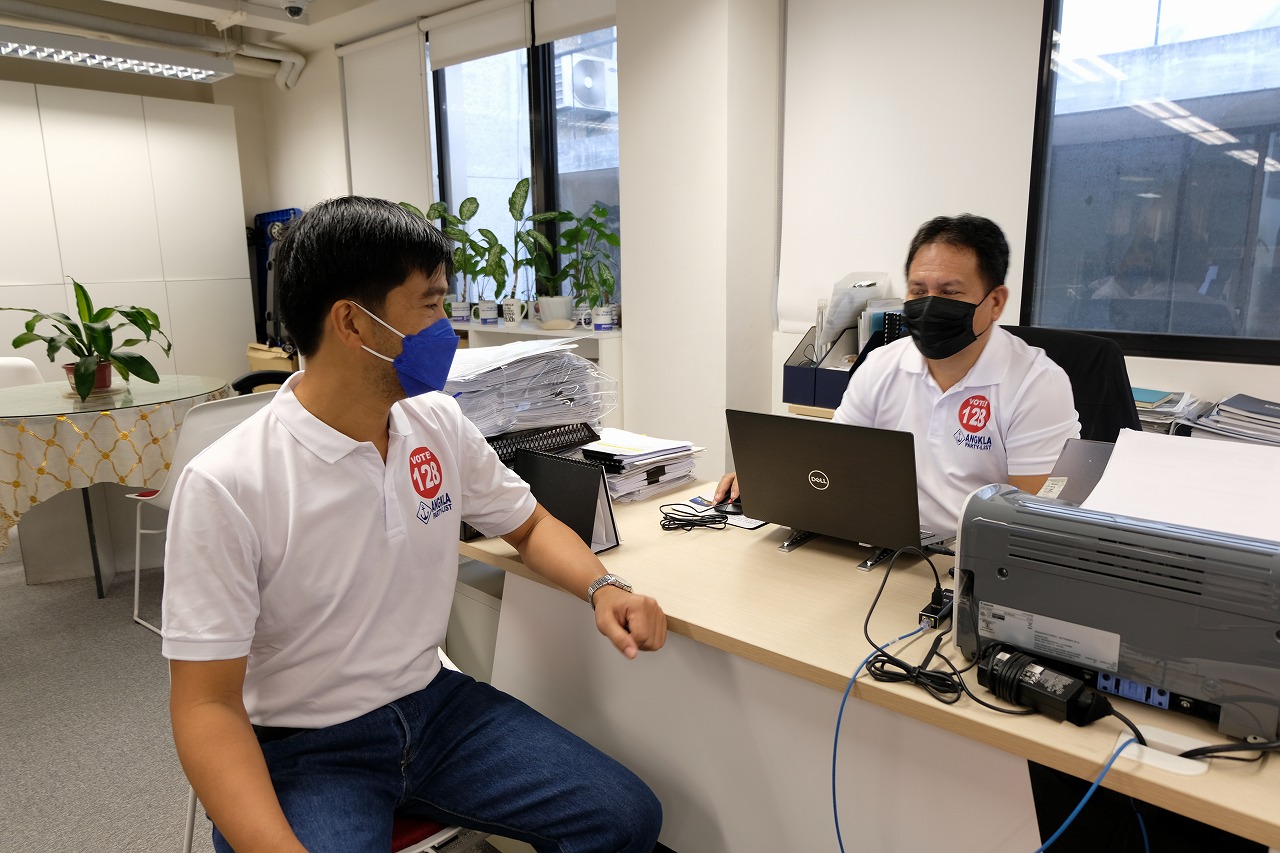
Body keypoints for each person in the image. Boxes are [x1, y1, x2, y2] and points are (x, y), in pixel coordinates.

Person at [161, 196, 666, 853]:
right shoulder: (228, 483)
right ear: (352, 322)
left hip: (434, 706)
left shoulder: (436, 422)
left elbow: (529, 525)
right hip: (306, 744)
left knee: (625, 817)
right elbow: (205, 705)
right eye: (430, 305)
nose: (445, 329)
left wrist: (603, 588)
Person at [716, 213, 1079, 533]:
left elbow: (1031, 522)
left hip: (968, 563)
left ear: (995, 302)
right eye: (918, 291)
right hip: (881, 545)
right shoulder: (881, 364)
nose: (930, 305)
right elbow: (833, 462)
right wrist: (768, 479)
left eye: (950, 292)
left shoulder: (1036, 384)